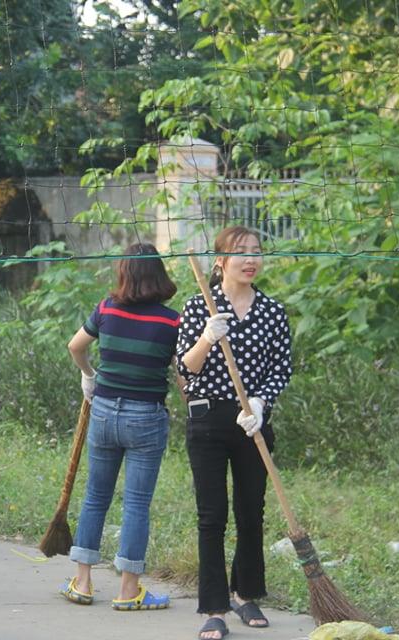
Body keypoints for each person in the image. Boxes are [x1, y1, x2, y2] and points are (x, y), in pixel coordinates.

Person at [177, 225, 292, 638]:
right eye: (241, 252)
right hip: (208, 420)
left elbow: (282, 367)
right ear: (220, 261)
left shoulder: (272, 311)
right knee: (212, 516)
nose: (251, 260)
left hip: (252, 421)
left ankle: (245, 593)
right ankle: (214, 607)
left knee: (250, 511)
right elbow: (186, 367)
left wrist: (260, 402)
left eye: (256, 252)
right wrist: (208, 337)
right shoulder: (199, 306)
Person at [59, 243, 179, 611]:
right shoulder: (171, 322)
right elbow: (183, 371)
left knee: (96, 496)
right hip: (146, 416)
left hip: (104, 410)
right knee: (136, 503)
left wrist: (89, 374)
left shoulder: (106, 309)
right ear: (159, 275)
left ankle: (82, 583)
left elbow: (75, 346)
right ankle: (128, 591)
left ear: (123, 273)